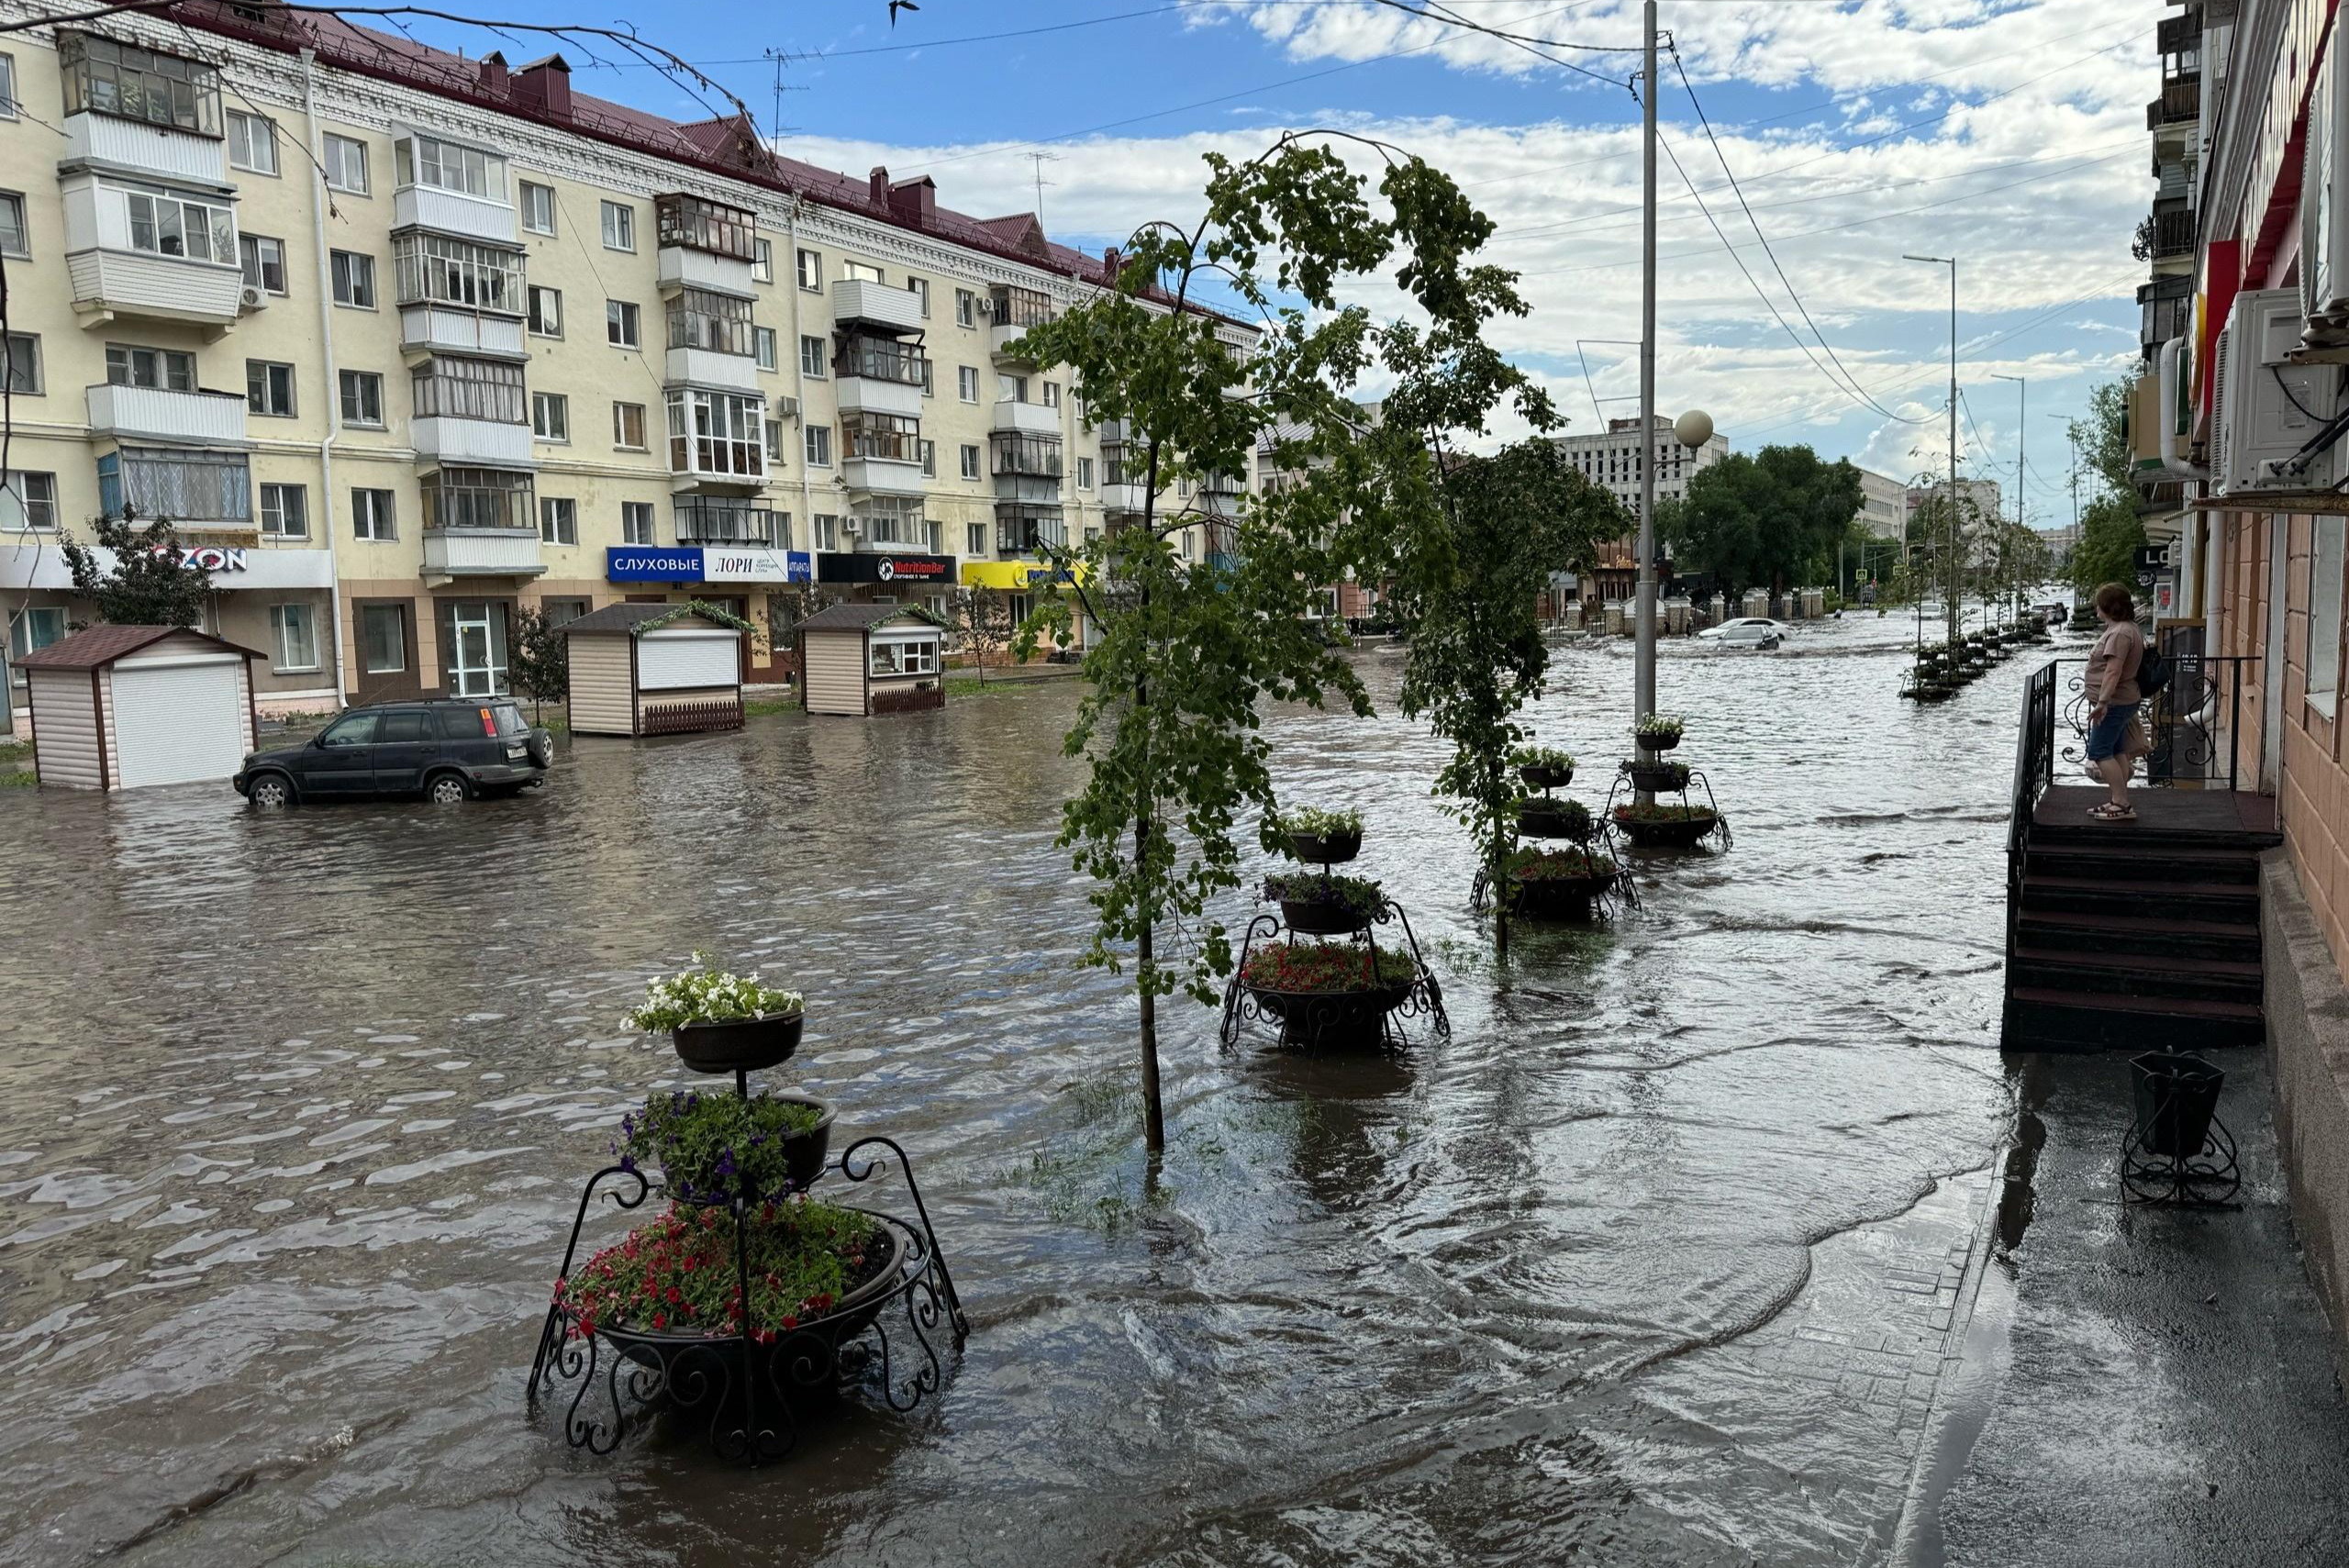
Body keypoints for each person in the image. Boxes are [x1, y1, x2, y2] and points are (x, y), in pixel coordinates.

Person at [2083, 581, 2146, 821]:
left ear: (2108, 607)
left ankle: (2121, 802)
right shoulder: (2128, 628)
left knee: (2099, 752)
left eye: (2099, 605)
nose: (2096, 609)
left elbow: (2113, 670)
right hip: (2122, 700)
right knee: (2116, 750)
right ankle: (2119, 800)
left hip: (2115, 702)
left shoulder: (2120, 632)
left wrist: (2102, 702)